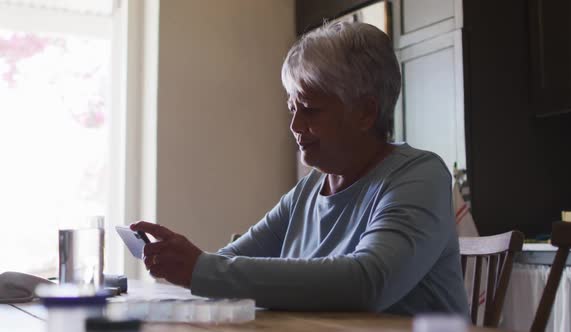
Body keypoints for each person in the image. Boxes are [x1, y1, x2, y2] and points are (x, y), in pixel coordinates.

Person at [131, 21, 469, 316]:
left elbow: (369, 282)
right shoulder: (309, 190)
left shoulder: (419, 176)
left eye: (309, 108)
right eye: (293, 107)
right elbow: (227, 263)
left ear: (365, 112)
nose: (294, 124)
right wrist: (188, 263)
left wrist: (203, 269)